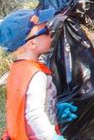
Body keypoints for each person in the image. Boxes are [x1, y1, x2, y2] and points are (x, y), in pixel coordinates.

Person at [0, 9, 78, 140]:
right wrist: (52, 137)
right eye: (46, 31)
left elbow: (24, 105)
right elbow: (34, 115)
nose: (51, 34)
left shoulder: (18, 69)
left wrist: (53, 109)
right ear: (32, 43)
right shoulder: (35, 75)